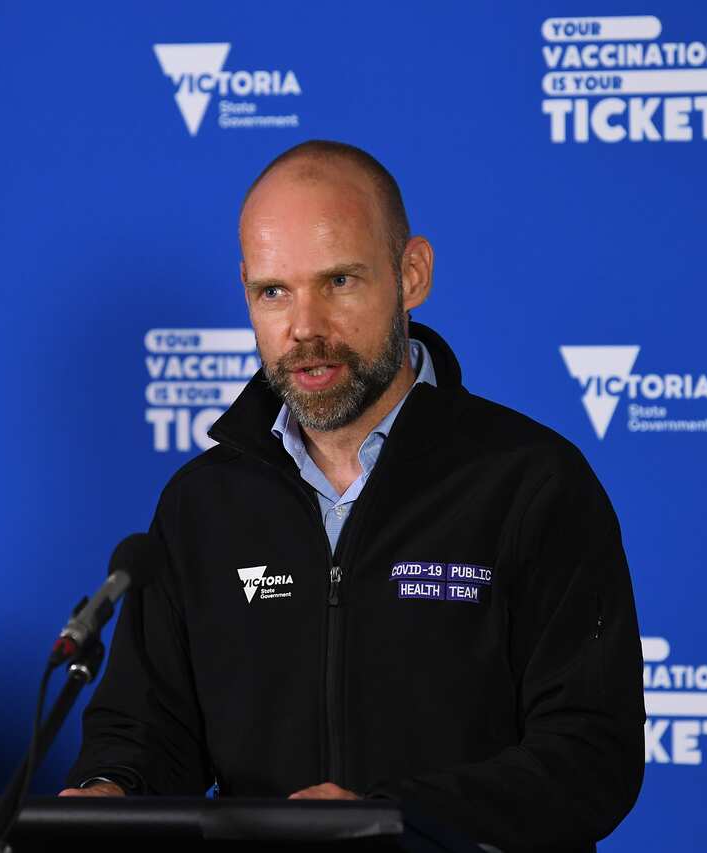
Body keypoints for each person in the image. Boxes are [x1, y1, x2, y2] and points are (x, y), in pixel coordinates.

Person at [60, 140, 645, 851]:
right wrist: (105, 794)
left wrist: (388, 817)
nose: (304, 328)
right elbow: (146, 733)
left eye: (338, 281)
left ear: (412, 274)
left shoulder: (532, 483)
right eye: (273, 291)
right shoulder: (200, 506)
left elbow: (591, 755)